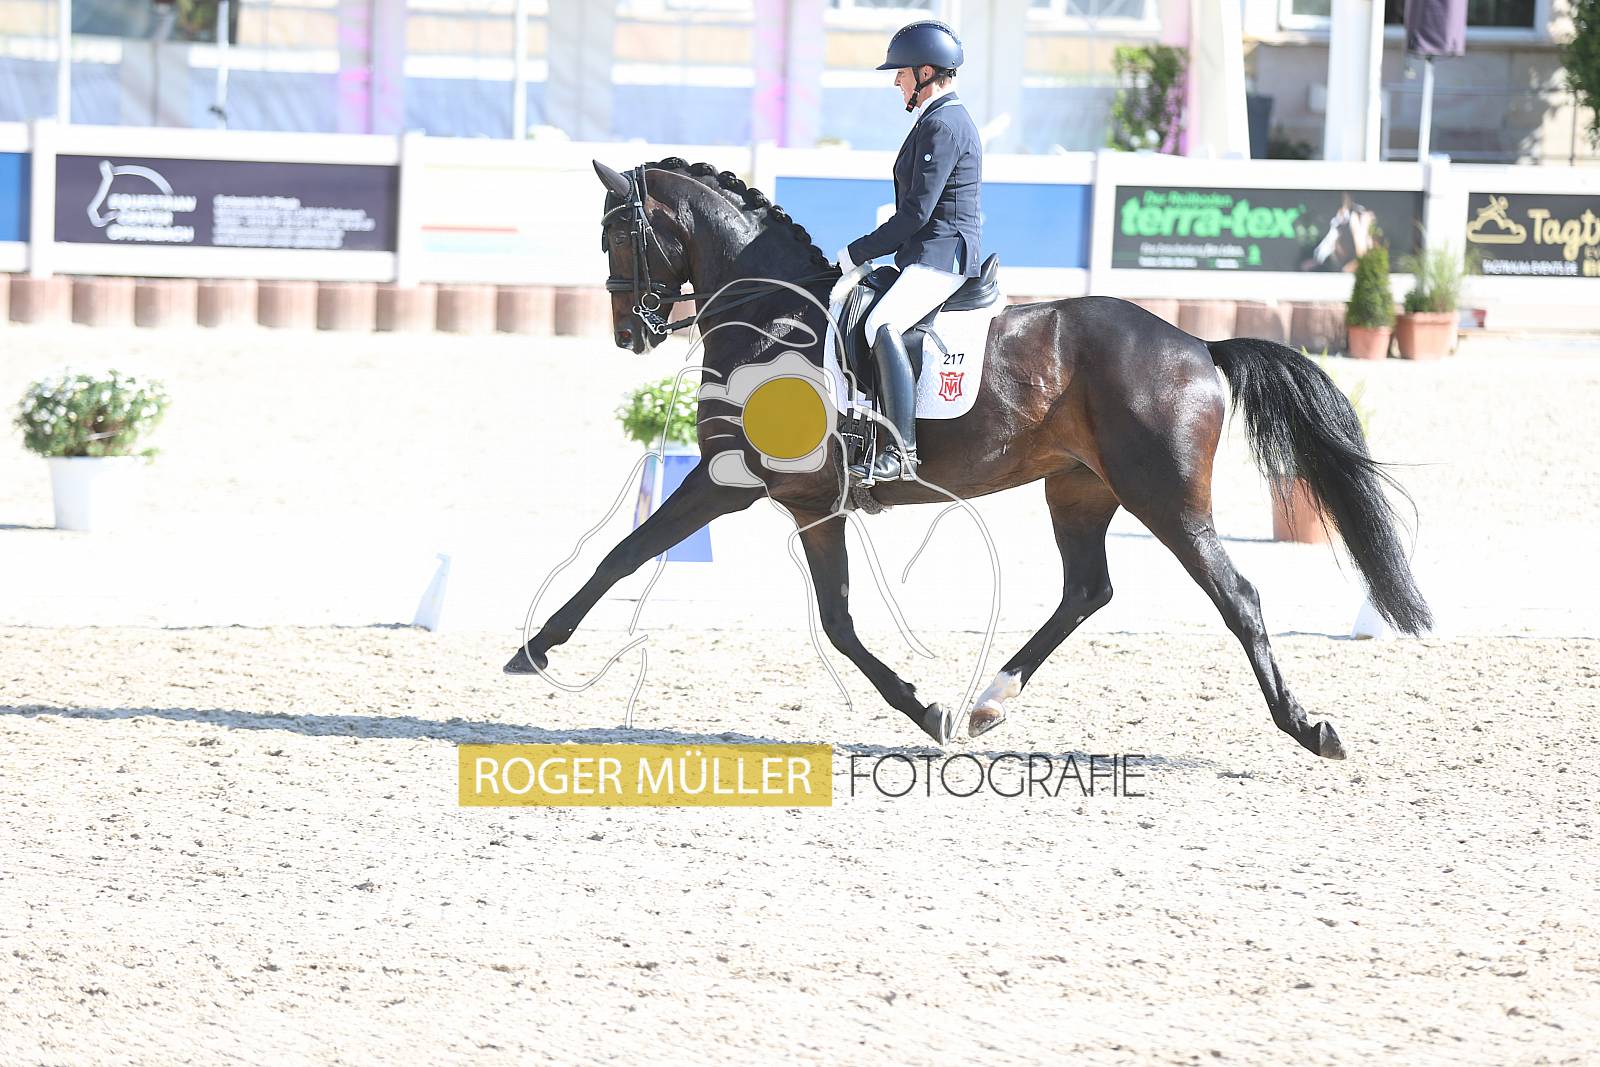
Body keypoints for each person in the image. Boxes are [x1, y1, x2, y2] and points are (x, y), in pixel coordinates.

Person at [835, 18, 983, 484]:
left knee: (881, 322)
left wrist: (856, 252)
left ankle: (900, 450)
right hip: (929, 251)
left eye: (900, 73)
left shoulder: (944, 124)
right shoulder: (937, 120)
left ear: (925, 72)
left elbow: (916, 214)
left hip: (941, 255)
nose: (896, 82)